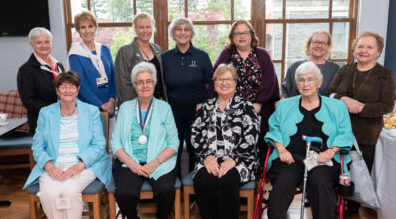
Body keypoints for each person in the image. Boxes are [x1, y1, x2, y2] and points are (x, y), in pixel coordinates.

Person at [262, 62, 353, 219]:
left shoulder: (337, 107)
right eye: (301, 80)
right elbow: (273, 130)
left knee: (320, 182)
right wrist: (281, 149)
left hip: (323, 160)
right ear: (296, 83)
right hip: (290, 157)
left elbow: (345, 134)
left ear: (319, 83)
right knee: (285, 178)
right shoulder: (284, 105)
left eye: (310, 79)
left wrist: (331, 150)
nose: (305, 84)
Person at [23, 71, 111, 219]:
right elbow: (38, 145)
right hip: (53, 163)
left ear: (78, 90)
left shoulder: (91, 111)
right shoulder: (46, 113)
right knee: (49, 192)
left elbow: (99, 145)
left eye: (72, 86)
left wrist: (80, 165)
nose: (68, 90)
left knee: (69, 191)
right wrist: (49, 167)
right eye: (63, 86)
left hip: (85, 164)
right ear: (57, 91)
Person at [326, 31, 396, 217]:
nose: (363, 50)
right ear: (354, 49)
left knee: (358, 171)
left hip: (367, 133)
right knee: (338, 167)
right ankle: (332, 201)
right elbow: (329, 94)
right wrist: (344, 100)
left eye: (369, 47)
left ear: (378, 52)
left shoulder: (384, 75)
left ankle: (351, 207)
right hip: (339, 130)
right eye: (360, 46)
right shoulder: (345, 70)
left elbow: (387, 105)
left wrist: (359, 109)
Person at [191, 64, 260, 219]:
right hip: (209, 158)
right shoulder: (206, 106)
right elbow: (195, 133)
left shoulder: (246, 106)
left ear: (235, 83)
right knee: (203, 181)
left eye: (228, 79)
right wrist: (206, 156)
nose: (223, 83)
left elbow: (252, 136)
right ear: (213, 84)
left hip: (240, 160)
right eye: (219, 79)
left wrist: (233, 159)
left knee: (228, 181)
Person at [111, 62, 179, 219]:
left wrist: (154, 163)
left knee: (166, 190)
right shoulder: (125, 107)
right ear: (134, 85)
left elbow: (174, 142)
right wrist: (133, 164)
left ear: (154, 83)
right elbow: (115, 142)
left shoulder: (164, 108)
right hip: (129, 162)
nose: (145, 85)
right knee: (124, 193)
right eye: (140, 82)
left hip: (159, 161)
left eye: (148, 81)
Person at [206, 20, 279, 165]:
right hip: (230, 108)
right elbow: (216, 78)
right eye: (237, 33)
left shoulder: (262, 54)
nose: (242, 36)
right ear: (232, 37)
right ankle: (234, 168)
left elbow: (270, 80)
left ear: (252, 35)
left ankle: (257, 175)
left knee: (259, 141)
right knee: (233, 143)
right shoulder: (226, 54)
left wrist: (257, 103)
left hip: (259, 107)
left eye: (245, 32)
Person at [162, 17, 213, 179]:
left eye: (186, 29)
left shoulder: (202, 57)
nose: (182, 33)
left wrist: (204, 105)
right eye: (179, 29)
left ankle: (194, 185)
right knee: (172, 149)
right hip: (172, 113)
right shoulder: (165, 58)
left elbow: (211, 85)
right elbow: (160, 86)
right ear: (173, 33)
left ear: (191, 33)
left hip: (196, 113)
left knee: (195, 148)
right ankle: (174, 185)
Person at [68, 11, 117, 116]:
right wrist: (99, 105)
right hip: (88, 107)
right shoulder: (75, 53)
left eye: (90, 26)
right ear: (78, 30)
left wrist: (112, 100)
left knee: (111, 132)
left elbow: (114, 77)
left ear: (95, 28)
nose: (87, 31)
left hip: (110, 106)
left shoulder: (104, 49)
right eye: (83, 27)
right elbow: (80, 84)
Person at [17, 27, 65, 135]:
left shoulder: (59, 65)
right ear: (32, 44)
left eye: (47, 42)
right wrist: (55, 109)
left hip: (63, 120)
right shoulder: (26, 70)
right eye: (39, 42)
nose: (44, 46)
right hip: (42, 123)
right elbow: (28, 101)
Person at [115, 12, 167, 105]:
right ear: (135, 30)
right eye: (141, 27)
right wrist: (138, 107)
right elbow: (123, 86)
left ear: (152, 29)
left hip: (158, 104)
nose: (145, 31)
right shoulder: (125, 52)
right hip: (137, 107)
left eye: (148, 27)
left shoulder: (157, 49)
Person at [281, 31, 340, 98]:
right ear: (309, 45)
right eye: (315, 42)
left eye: (323, 43)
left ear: (328, 47)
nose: (319, 46)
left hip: (327, 108)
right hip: (296, 107)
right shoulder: (295, 67)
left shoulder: (335, 69)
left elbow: (338, 94)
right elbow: (285, 91)